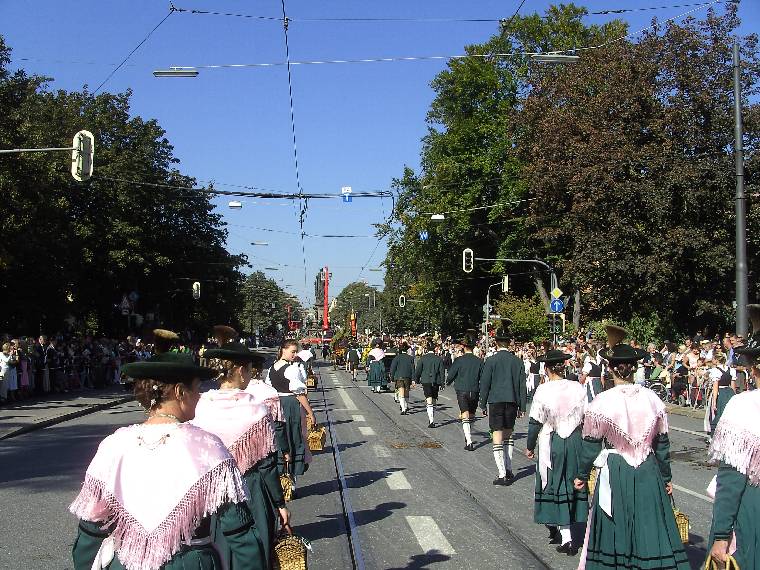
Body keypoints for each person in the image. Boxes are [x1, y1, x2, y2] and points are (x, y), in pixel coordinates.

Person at [70, 348, 264, 570]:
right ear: (180, 392)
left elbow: (92, 527)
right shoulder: (206, 446)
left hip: (128, 562)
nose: (199, 396)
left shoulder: (114, 444)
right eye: (197, 388)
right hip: (189, 562)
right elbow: (238, 529)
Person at [573, 325, 689, 570]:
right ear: (634, 368)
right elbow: (662, 444)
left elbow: (591, 444)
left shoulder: (602, 401)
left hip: (616, 468)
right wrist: (666, 477)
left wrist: (581, 475)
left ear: (610, 368)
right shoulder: (652, 398)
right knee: (648, 525)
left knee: (617, 525)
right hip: (648, 468)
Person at [192, 325, 284, 569]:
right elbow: (267, 465)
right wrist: (280, 502)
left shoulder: (200, 405)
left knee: (215, 550)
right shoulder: (256, 410)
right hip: (248, 490)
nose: (251, 374)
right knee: (252, 552)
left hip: (209, 493)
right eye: (250, 369)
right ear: (241, 371)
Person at [707, 304, 760, 569]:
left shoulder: (743, 405)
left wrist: (720, 534)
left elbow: (731, 476)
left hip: (753, 508)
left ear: (753, 369)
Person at [525, 350, 588, 556]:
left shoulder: (543, 390)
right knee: (572, 481)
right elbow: (586, 417)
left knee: (555, 481)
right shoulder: (577, 387)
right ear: (564, 367)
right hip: (576, 439)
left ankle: (565, 535)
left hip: (554, 440)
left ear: (546, 368)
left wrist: (530, 445)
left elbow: (535, 422)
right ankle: (563, 527)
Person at [479, 324, 527, 485]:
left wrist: (482, 404)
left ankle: (501, 474)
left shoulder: (491, 360)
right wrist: (522, 406)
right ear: (509, 343)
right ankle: (509, 468)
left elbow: (485, 384)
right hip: (512, 401)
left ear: (496, 342)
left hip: (496, 401)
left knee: (497, 435)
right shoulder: (517, 361)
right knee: (508, 435)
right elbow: (522, 385)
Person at [268, 339, 315, 496]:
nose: (294, 355)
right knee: (293, 438)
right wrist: (310, 412)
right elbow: (299, 393)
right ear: (283, 350)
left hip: (276, 405)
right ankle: (291, 481)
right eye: (292, 351)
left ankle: (282, 479)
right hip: (290, 405)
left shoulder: (272, 368)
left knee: (280, 440)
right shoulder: (291, 369)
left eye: (296, 352)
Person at [446, 334, 483, 450]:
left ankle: (469, 441)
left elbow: (451, 375)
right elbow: (483, 377)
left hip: (462, 390)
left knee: (465, 413)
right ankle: (468, 436)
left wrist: (448, 382)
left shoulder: (459, 360)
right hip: (475, 390)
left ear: (463, 346)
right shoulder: (479, 361)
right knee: (471, 414)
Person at [414, 341, 445, 428]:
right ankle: (432, 419)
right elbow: (442, 372)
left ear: (427, 349)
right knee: (434, 400)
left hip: (426, 380)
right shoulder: (439, 359)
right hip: (436, 381)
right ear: (434, 349)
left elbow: (418, 370)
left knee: (429, 399)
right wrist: (442, 383)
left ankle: (431, 420)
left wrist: (416, 380)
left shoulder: (423, 358)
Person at [390, 342, 415, 415]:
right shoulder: (410, 358)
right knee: (406, 392)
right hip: (407, 377)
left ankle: (403, 409)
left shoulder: (397, 358)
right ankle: (406, 406)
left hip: (399, 377)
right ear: (407, 350)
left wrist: (392, 377)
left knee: (401, 392)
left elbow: (393, 369)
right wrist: (413, 379)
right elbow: (413, 369)